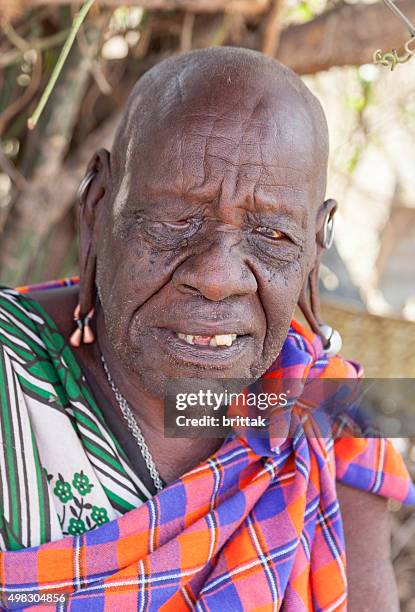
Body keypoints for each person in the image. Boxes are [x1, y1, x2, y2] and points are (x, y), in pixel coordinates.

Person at [0, 47, 413, 611]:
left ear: (318, 245)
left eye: (272, 235)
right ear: (98, 204)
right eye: (176, 219)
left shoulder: (323, 425)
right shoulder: (9, 376)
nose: (218, 278)